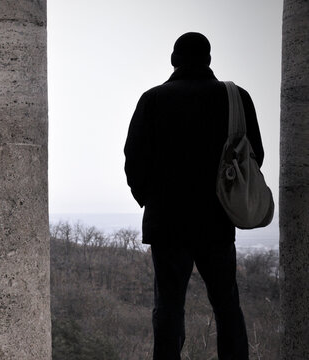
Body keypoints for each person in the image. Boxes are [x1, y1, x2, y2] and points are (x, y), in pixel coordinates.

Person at [124, 32, 264, 360]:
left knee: (169, 307)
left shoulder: (153, 99)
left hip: (167, 223)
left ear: (175, 60)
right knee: (227, 306)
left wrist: (150, 198)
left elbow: (134, 158)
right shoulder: (236, 97)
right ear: (209, 60)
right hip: (217, 220)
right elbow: (254, 156)